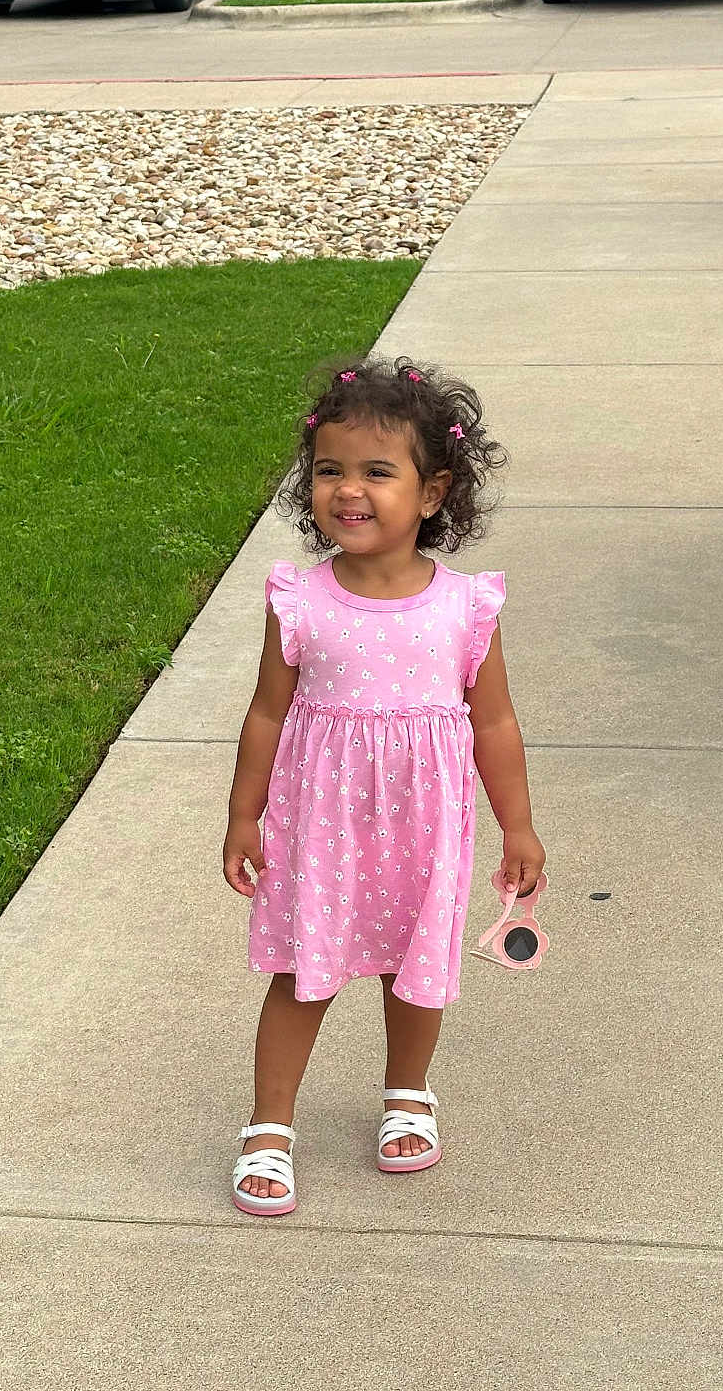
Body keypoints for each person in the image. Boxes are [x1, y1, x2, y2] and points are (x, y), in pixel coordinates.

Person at [221, 354, 546, 1217]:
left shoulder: (466, 607)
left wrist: (519, 827)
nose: (347, 490)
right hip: (321, 823)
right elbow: (265, 713)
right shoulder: (299, 599)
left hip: (425, 828)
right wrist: (243, 815)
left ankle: (409, 1091)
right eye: (329, 470)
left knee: (417, 968)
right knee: (302, 972)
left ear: (433, 494)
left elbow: (495, 723)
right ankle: (270, 1124)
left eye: (376, 472)